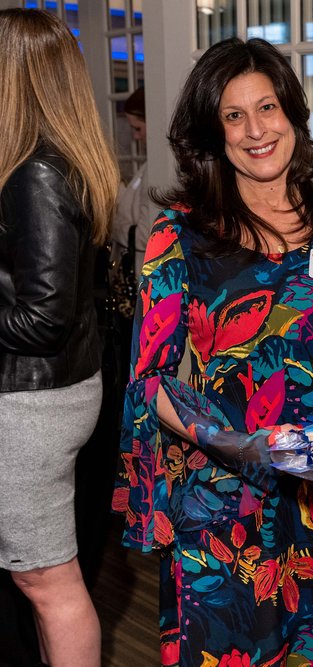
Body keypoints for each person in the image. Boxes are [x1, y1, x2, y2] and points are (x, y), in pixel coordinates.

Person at [112, 36, 313, 666]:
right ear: (214, 135)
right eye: (234, 116)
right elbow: (153, 379)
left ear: (294, 114)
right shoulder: (183, 233)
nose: (255, 130)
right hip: (225, 514)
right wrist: (233, 442)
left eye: (267, 108)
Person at [0, 8, 120, 667]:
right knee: (41, 576)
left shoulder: (36, 174)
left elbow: (43, 319)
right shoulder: (51, 164)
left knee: (47, 581)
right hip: (51, 393)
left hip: (35, 402)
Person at [111, 86, 154, 281]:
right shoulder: (149, 163)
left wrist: (111, 226)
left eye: (138, 128)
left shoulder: (156, 169)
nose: (136, 136)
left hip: (144, 278)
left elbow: (148, 236)